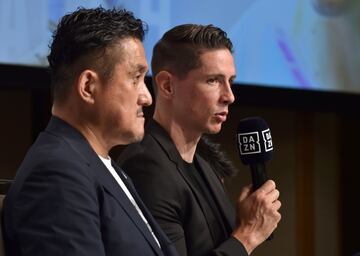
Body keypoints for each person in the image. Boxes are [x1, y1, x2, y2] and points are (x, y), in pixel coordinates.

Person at [2, 7, 179, 256]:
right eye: (135, 78)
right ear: (88, 86)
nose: (147, 97)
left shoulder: (100, 165)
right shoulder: (56, 174)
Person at [117, 24, 281, 256]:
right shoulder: (146, 168)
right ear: (167, 85)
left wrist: (245, 224)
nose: (229, 96)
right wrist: (247, 235)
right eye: (213, 80)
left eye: (230, 81)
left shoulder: (205, 164)